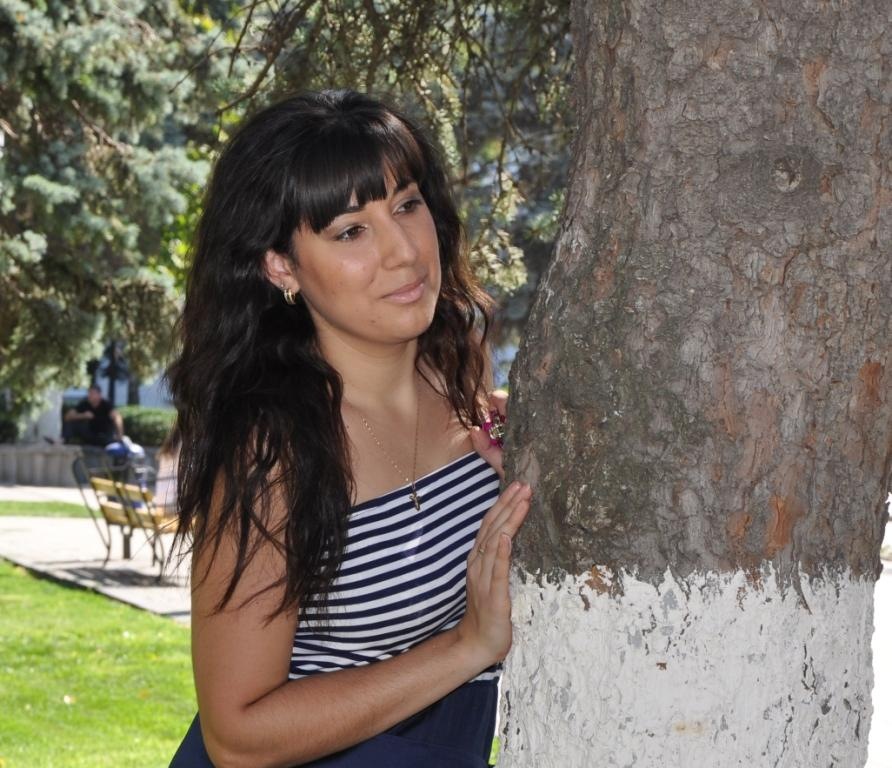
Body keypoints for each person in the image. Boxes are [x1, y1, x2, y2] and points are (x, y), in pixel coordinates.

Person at [167, 89, 532, 768]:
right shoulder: (272, 453)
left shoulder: (462, 370)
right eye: (350, 232)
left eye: (407, 206)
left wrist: (530, 466)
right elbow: (237, 735)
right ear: (280, 265)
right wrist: (468, 647)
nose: (404, 252)